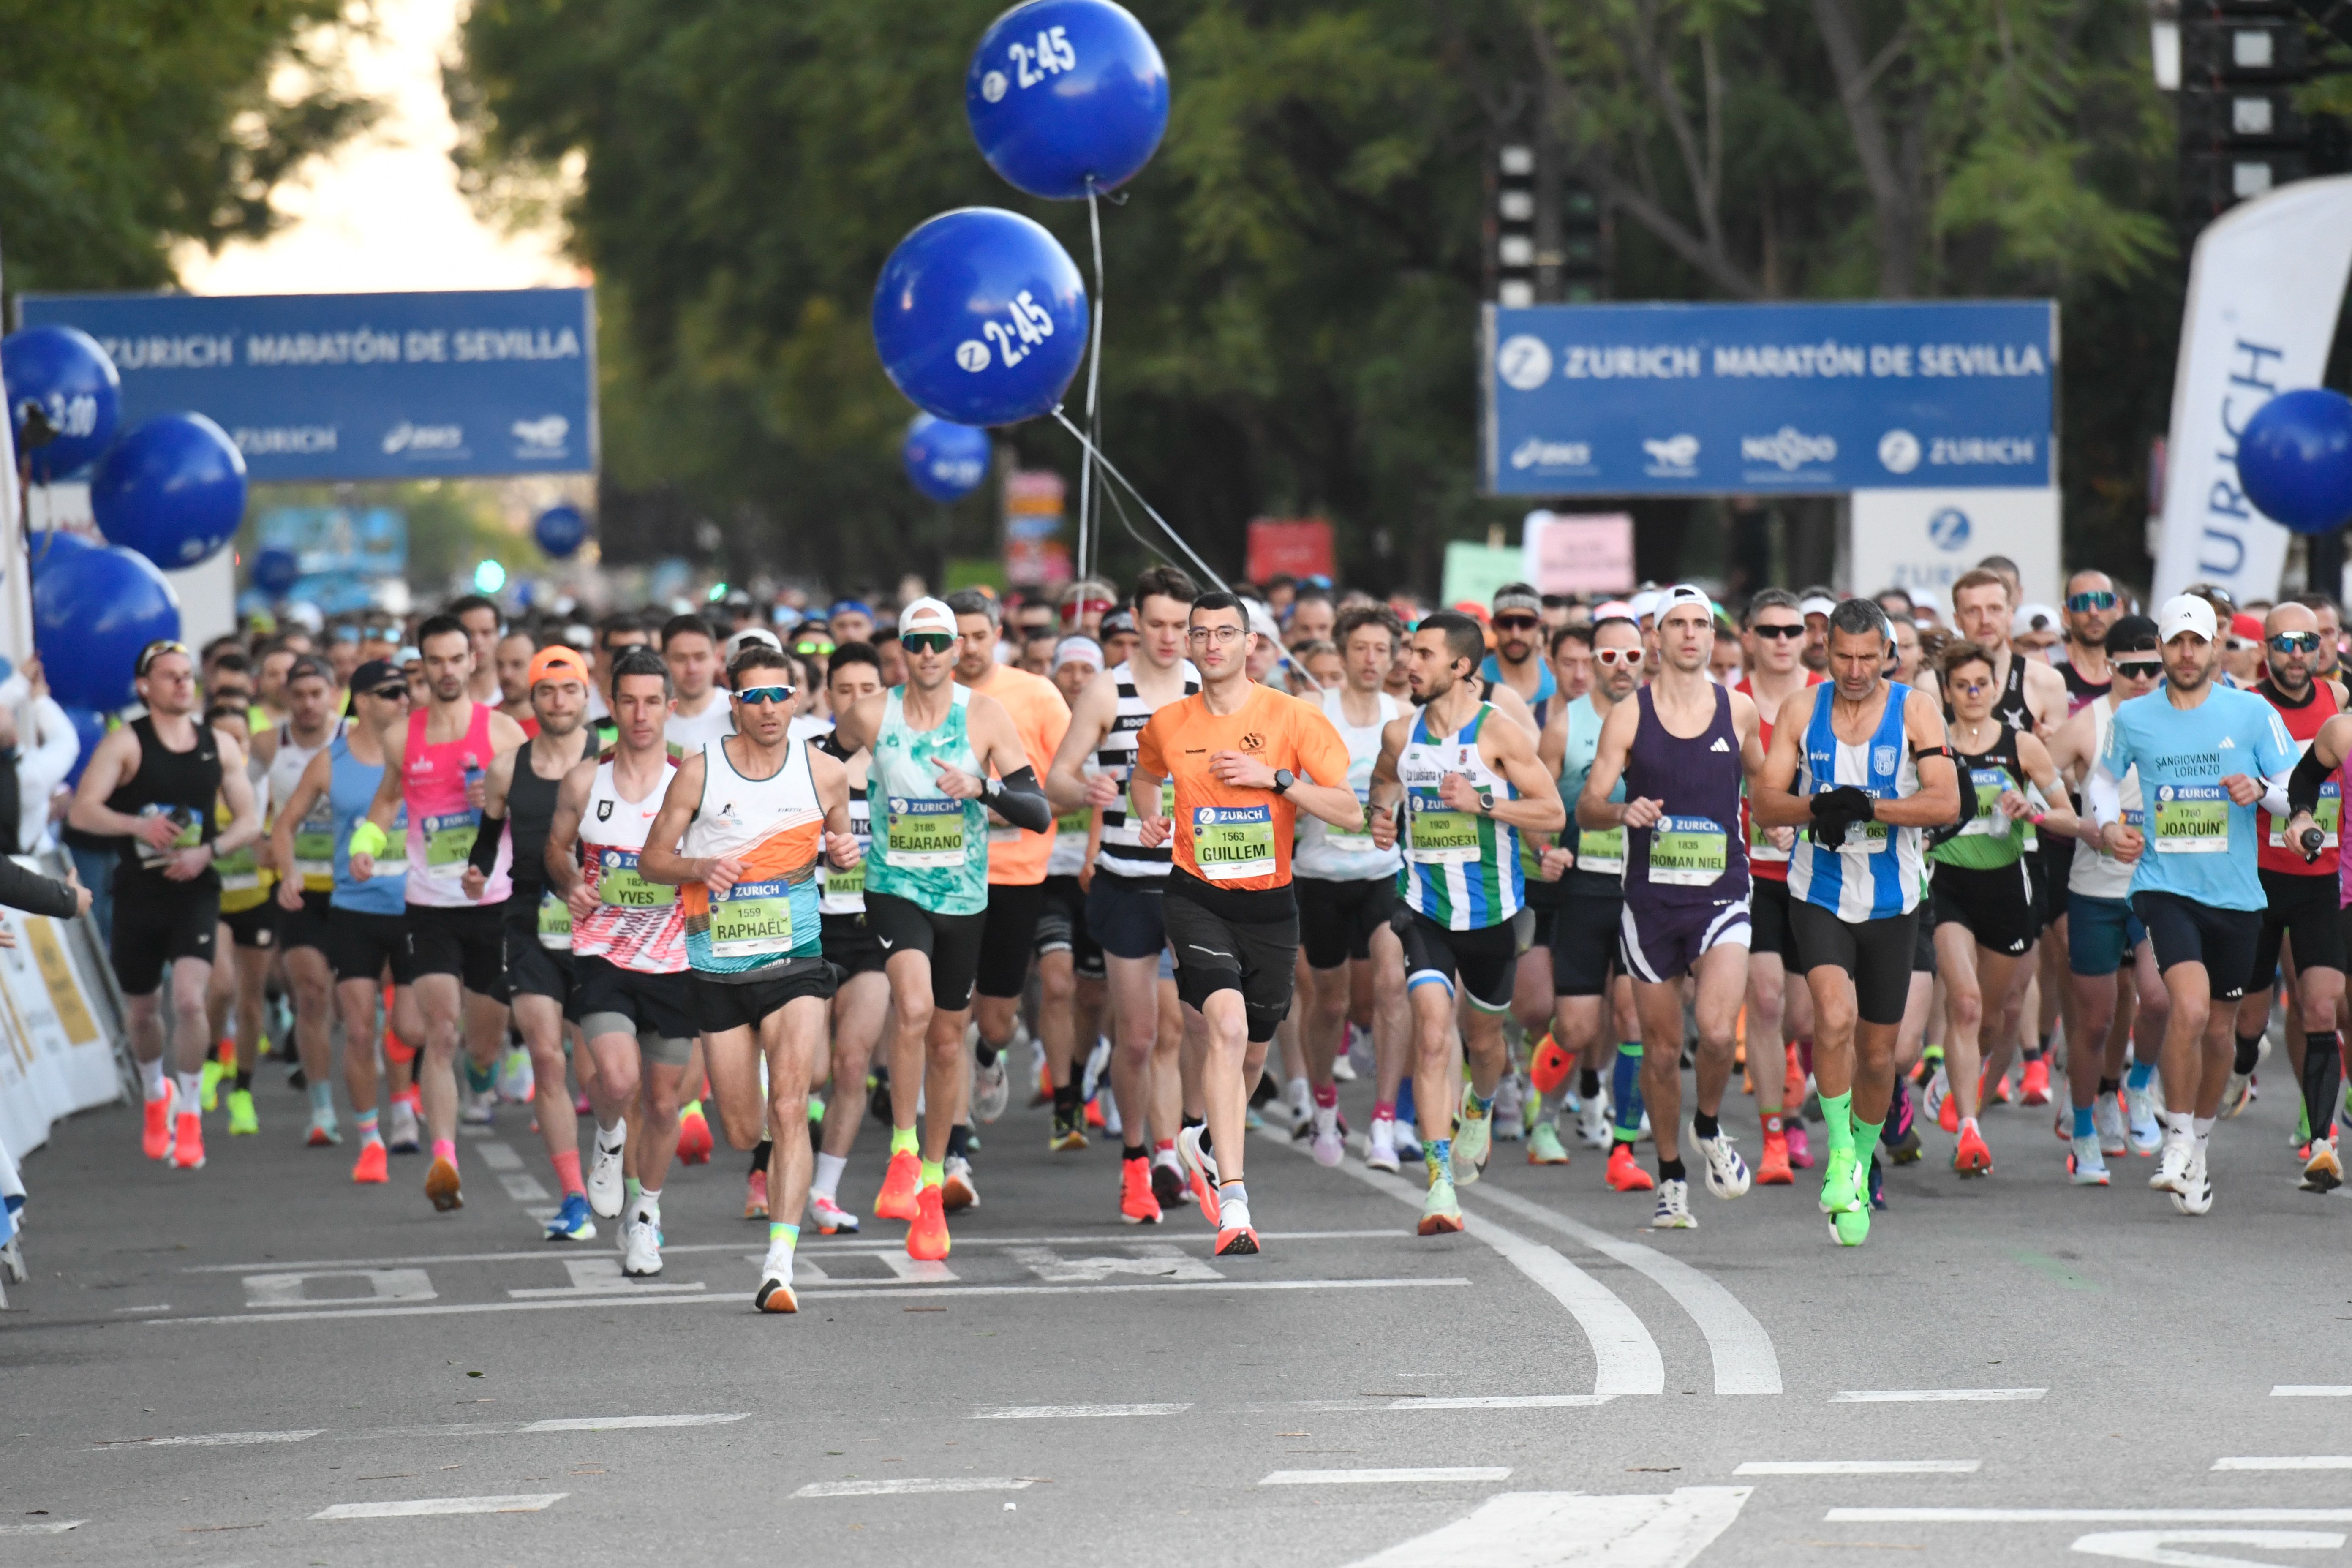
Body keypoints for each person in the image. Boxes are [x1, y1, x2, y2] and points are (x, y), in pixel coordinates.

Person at [640, 641, 862, 1312]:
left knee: (791, 1106)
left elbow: (841, 850)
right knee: (745, 1129)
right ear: (734, 703)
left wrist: (846, 852)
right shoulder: (699, 774)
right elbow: (652, 861)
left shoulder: (825, 773)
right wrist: (698, 869)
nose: (768, 708)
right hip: (717, 968)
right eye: (754, 697)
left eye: (779, 695)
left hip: (794, 960)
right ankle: (764, 1098)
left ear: (796, 699)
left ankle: (779, 1264)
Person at [1139, 590, 1362, 1255]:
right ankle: (1234, 1203)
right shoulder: (1168, 722)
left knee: (1255, 1053)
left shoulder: (1293, 717)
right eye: (1199, 634)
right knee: (1226, 1029)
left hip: (1270, 905)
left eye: (1225, 635)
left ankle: (1204, 1140)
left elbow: (1349, 811)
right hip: (1195, 895)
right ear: (1186, 644)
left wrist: (1275, 779)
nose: (1211, 646)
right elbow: (1143, 774)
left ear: (1251, 645)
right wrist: (1150, 817)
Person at [830, 597, 1052, 1260]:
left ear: (958, 649)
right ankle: (901, 1149)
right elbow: (810, 773)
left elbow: (1037, 809)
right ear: (900, 651)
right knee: (915, 1006)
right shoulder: (872, 714)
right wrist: (836, 832)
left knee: (951, 1042)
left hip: (963, 895)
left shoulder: (984, 716)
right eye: (916, 643)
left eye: (939, 643)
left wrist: (981, 789)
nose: (928, 654)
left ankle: (931, 1183)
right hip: (894, 888)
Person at [1753, 599, 1960, 1246]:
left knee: (1880, 1056)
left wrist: (1871, 807)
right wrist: (1818, 806)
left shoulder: (1915, 709)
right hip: (1819, 892)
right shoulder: (1801, 709)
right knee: (1832, 1019)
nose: (1856, 669)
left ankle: (1864, 1157)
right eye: (1844, 656)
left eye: (1869, 657)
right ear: (1827, 651)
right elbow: (1764, 802)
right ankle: (1841, 1156)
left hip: (1894, 902)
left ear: (1888, 654)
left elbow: (1946, 801)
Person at [2090, 595, 2299, 1216]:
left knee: (2218, 1029)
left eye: (2196, 643)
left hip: (2236, 894)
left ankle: (2199, 1147)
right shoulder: (2135, 717)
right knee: (2184, 1006)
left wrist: (2260, 790)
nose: (2185, 654)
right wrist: (2106, 827)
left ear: (2214, 647)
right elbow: (2102, 780)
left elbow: (2296, 789)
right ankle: (2177, 1138)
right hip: (2163, 885)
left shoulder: (2252, 712)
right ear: (2162, 645)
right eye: (2175, 643)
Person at [1576, 585, 1764, 1228]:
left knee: (1715, 1031)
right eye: (1677, 624)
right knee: (1659, 1051)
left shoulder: (1738, 712)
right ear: (1656, 638)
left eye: (1701, 624)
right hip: (1650, 904)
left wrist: (1790, 821)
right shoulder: (1630, 715)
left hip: (1722, 895)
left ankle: (1708, 1128)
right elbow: (1588, 804)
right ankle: (1672, 1176)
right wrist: (1621, 810)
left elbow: (1767, 788)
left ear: (1715, 637)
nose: (1690, 634)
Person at [347, 614, 529, 1213]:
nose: (447, 671)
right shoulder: (404, 737)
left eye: (457, 659)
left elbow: (535, 806)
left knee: (482, 1041)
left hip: (492, 904)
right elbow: (389, 798)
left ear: (472, 661)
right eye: (435, 661)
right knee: (439, 1031)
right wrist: (366, 846)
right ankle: (443, 1158)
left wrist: (498, 798)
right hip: (428, 906)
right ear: (421, 666)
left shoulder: (502, 732)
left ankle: (485, 1074)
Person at [1045, 568, 1203, 1225]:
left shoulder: (1207, 687)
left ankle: (1181, 1150)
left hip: (1196, 881)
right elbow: (1056, 778)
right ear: (1135, 620)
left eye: (1180, 626)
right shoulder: (1108, 691)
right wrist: (1089, 792)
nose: (1170, 638)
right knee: (1138, 1036)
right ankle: (1137, 1159)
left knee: (1189, 1026)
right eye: (1158, 624)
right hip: (1126, 882)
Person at [70, 640, 262, 1171]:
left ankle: (192, 1114)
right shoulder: (125, 744)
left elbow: (250, 820)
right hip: (139, 890)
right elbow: (84, 811)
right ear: (144, 687)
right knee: (144, 1011)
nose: (183, 684)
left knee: (191, 1001)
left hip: (195, 887)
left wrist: (209, 851)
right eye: (170, 677)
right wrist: (139, 826)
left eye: (187, 676)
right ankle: (157, 1096)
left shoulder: (218, 744)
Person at [542, 648, 697, 1277]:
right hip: (603, 952)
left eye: (652, 702)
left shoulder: (693, 781)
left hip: (678, 958)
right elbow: (556, 850)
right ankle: (608, 1135)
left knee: (665, 1106)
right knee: (618, 1079)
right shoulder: (586, 780)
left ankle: (645, 1217)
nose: (640, 714)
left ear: (671, 707)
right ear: (611, 705)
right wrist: (569, 881)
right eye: (628, 701)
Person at [941, 589, 1071, 1209]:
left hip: (1017, 873)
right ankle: (955, 1148)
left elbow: (1064, 784)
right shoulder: (929, 699)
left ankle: (994, 1056)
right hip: (943, 875)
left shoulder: (1037, 696)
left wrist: (1006, 800)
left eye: (977, 635)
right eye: (955, 636)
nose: (965, 648)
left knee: (993, 1018)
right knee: (951, 1016)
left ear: (999, 634)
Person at [1928, 639, 2077, 1177]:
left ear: (1996, 689)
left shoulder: (2022, 747)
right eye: (1962, 685)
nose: (1972, 694)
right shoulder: (1931, 745)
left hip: (2008, 889)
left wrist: (2030, 808)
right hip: (1947, 887)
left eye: (1982, 684)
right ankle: (1970, 1130)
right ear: (1946, 692)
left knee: (1990, 1018)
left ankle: (1961, 1078)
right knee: (1964, 1004)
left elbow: (2067, 816)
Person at [468, 645, 598, 1236]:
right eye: (547, 692)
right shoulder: (507, 767)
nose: (558, 702)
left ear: (586, 694)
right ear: (533, 698)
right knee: (548, 1056)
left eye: (569, 690)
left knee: (601, 1072)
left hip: (601, 921)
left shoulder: (611, 761)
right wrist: (475, 870)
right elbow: (487, 836)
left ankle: (615, 1172)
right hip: (528, 920)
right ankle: (573, 1197)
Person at [2046, 616, 2169, 1180]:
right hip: (2095, 888)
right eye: (2132, 669)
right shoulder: (2084, 725)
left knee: (2159, 999)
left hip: (2162, 886)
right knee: (2095, 1022)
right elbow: (2034, 797)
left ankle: (2140, 1085)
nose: (2144, 680)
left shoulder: (2182, 720)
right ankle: (2085, 1127)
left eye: (2154, 669)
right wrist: (2086, 829)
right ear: (2109, 668)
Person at [1293, 606, 1409, 1168]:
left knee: (1391, 985)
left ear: (1394, 656)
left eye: (1381, 650)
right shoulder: (1314, 711)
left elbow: (1412, 785)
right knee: (1331, 1001)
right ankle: (1322, 1103)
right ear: (1341, 654)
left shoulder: (1404, 716)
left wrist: (1390, 812)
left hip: (1382, 875)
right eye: (1360, 649)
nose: (1371, 660)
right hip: (1317, 875)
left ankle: (1385, 1122)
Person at [1534, 615, 1643, 1178]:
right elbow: (1538, 804)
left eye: (1631, 655)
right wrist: (1543, 847)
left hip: (1645, 887)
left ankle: (1623, 1139)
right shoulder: (1564, 725)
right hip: (1583, 886)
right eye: (1608, 657)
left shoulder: (1665, 721)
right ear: (1592, 662)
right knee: (1576, 1027)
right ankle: (1548, 1113)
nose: (1621, 666)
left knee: (1634, 1014)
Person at [2241, 602, 2347, 1173]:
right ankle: (2238, 1066)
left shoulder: (2338, 703)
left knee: (2321, 1005)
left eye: (2307, 641)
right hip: (2258, 875)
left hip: (2322, 879)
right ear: (2268, 649)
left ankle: (2322, 1141)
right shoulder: (2246, 706)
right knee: (2249, 1021)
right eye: (2284, 642)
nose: (2297, 652)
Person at [799, 643, 889, 1233]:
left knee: (853, 1064)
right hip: (808, 927)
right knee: (810, 1074)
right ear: (828, 697)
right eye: (846, 691)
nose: (858, 702)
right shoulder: (803, 762)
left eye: (869, 691)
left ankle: (825, 1192)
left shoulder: (897, 762)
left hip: (870, 929)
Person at [1735, 588, 1824, 1183]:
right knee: (1764, 1003)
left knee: (1807, 1020)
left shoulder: (1829, 696)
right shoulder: (1729, 703)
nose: (1783, 641)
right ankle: (1774, 1133)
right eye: (1769, 631)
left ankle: (1796, 1091)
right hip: (1752, 874)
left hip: (1817, 873)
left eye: (1793, 630)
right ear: (1748, 637)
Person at [256, 655, 347, 1146]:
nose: (309, 704)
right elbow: (239, 797)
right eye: (300, 696)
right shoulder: (270, 744)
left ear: (334, 694)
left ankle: (393, 1093)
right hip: (298, 888)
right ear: (287, 698)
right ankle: (322, 1108)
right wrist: (259, 842)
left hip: (357, 890)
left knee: (360, 1001)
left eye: (318, 694)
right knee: (311, 994)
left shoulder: (356, 737)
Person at [1036, 636, 1111, 1155]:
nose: (1078, 678)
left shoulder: (1112, 729)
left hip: (1098, 876)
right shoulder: (1038, 730)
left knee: (1092, 995)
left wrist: (1093, 850)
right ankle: (1064, 1102)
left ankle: (1082, 1072)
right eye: (1070, 669)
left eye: (1089, 669)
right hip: (1044, 876)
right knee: (1057, 983)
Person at [662, 613, 732, 750]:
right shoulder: (651, 721)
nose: (692, 669)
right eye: (681, 659)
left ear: (716, 658)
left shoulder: (736, 710)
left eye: (700, 657)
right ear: (664, 661)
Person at [2058, 571, 2123, 713]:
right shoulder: (2046, 666)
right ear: (2067, 615)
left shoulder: (2138, 670)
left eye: (2103, 601)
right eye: (2082, 603)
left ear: (2118, 608)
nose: (2093, 612)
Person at [451, 594, 505, 707]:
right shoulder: (438, 699)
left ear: (499, 635)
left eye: (486, 633)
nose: (478, 642)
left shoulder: (518, 695)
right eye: (469, 634)